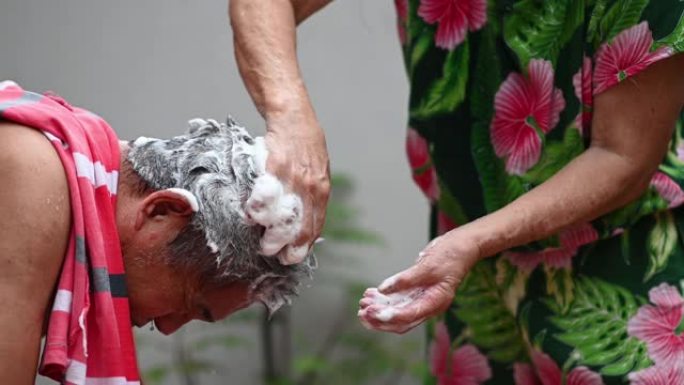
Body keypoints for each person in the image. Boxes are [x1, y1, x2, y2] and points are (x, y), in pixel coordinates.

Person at [229, 1, 684, 383]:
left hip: (628, 264)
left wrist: (470, 242)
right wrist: (291, 118)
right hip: (467, 265)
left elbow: (622, 157)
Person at [0, 81, 314, 385]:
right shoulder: (34, 172)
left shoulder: (71, 177)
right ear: (161, 212)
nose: (167, 326)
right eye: (189, 304)